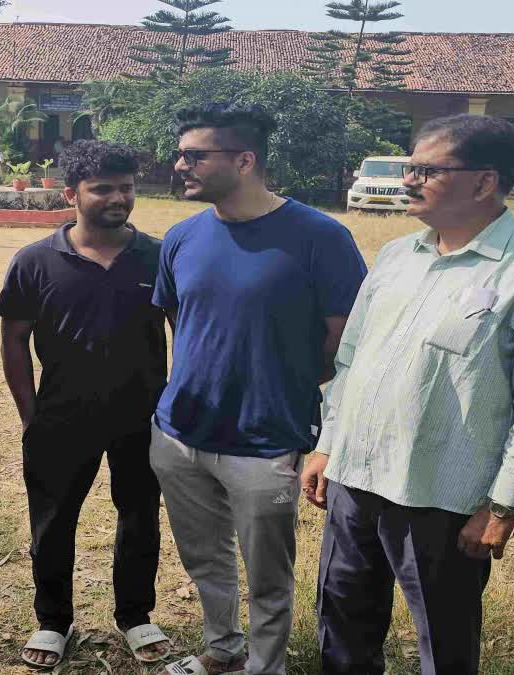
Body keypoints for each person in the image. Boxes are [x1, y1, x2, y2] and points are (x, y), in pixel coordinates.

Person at [300, 114, 514, 674]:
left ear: (484, 182)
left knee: (445, 637)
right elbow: (350, 361)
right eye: (409, 167)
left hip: (442, 496)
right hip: (354, 480)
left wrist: (502, 502)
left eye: (426, 170)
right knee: (342, 623)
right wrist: (327, 444)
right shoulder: (396, 256)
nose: (408, 179)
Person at [151, 103, 367, 675]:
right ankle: (222, 649)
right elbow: (182, 318)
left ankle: (264, 666)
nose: (180, 165)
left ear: (245, 160)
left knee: (268, 573)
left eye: (195, 155)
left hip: (267, 438)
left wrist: (282, 379)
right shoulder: (181, 236)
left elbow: (343, 339)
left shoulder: (321, 237)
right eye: (181, 153)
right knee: (205, 559)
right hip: (178, 434)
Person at [0, 140, 172, 669]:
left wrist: (175, 407)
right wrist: (31, 415)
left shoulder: (158, 255)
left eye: (127, 187)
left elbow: (184, 331)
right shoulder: (35, 261)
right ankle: (53, 621)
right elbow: (13, 343)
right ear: (71, 193)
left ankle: (136, 616)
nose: (119, 197)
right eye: (104, 188)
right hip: (61, 417)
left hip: (142, 416)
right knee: (52, 521)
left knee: (139, 517)